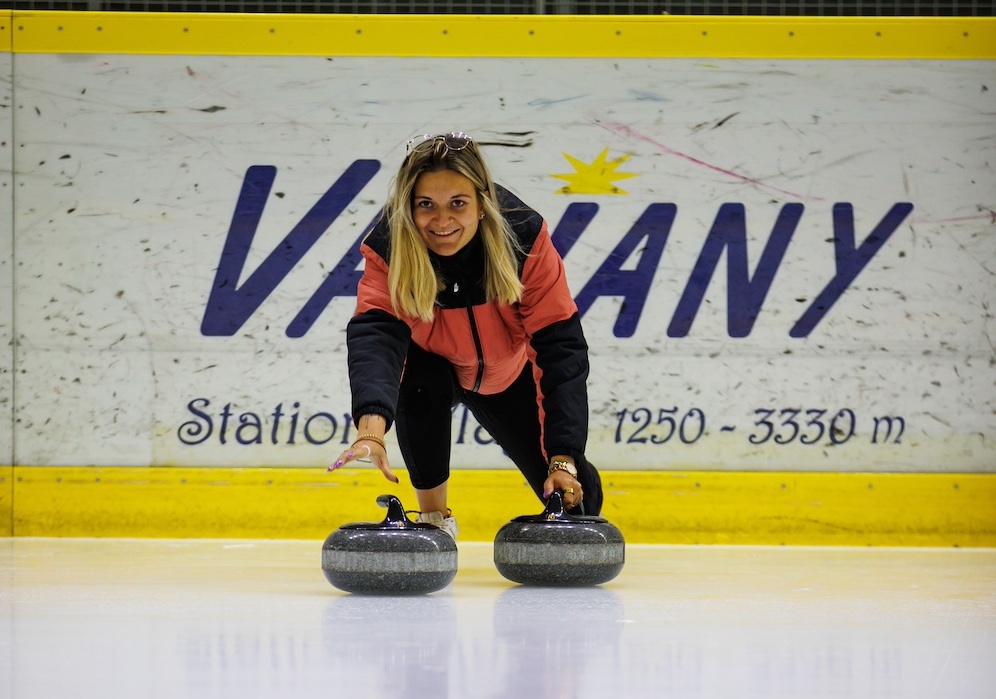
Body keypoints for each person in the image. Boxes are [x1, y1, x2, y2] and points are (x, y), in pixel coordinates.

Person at [328, 132, 603, 540]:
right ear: (409, 207)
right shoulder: (390, 246)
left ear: (482, 203)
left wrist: (563, 459)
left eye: (457, 203)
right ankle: (435, 521)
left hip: (509, 374)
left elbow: (559, 347)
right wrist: (371, 431)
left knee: (580, 504)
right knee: (421, 379)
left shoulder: (523, 238)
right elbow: (377, 338)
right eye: (426, 205)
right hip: (432, 368)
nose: (442, 221)